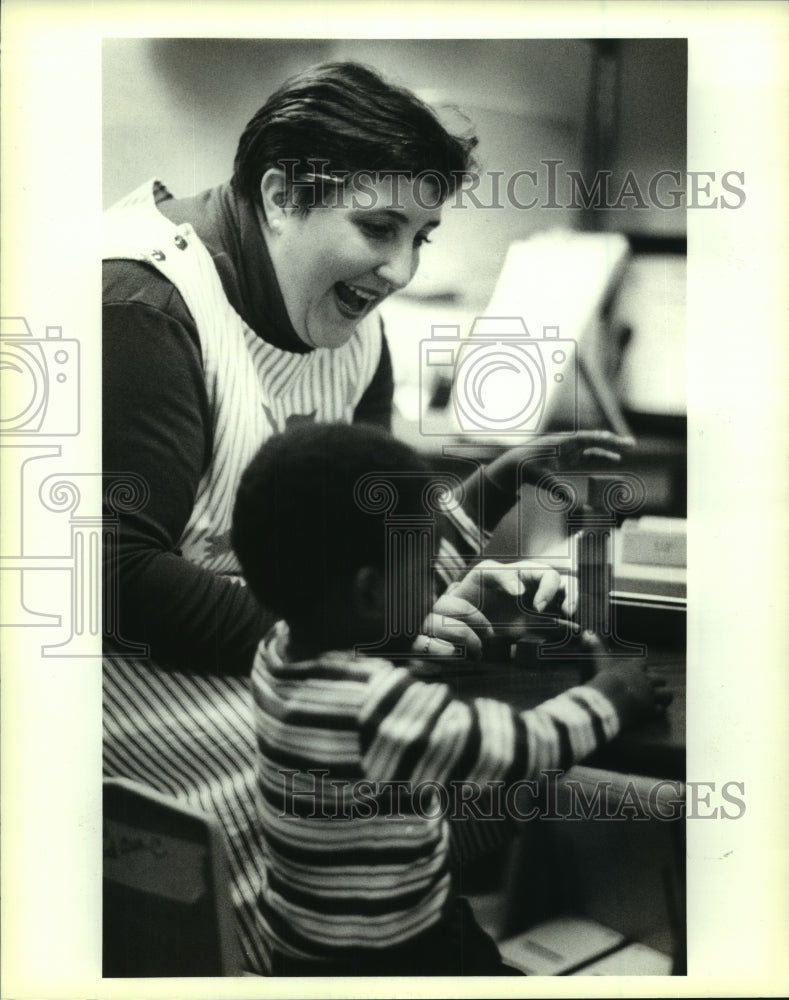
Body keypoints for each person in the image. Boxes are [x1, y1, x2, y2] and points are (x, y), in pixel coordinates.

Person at [102, 60, 632, 972]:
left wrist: (421, 589)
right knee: (369, 786)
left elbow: (367, 537)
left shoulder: (353, 326)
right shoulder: (141, 310)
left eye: (422, 235)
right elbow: (114, 579)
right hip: (121, 678)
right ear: (278, 196)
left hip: (278, 650)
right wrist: (373, 630)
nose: (400, 269)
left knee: (458, 739)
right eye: (378, 227)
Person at [230, 421, 671, 976]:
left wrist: (501, 477)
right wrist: (611, 697)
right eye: (423, 571)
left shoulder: (279, 653)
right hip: (398, 958)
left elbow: (383, 621)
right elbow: (518, 748)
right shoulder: (375, 706)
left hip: (309, 951)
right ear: (369, 591)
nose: (435, 582)